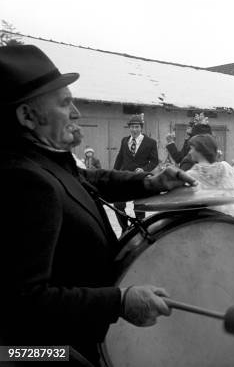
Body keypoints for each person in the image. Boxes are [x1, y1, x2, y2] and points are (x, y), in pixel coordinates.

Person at [0, 45, 198, 365]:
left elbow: (88, 177)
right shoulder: (23, 181)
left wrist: (149, 182)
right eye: (65, 103)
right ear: (26, 116)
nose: (76, 112)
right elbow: (21, 303)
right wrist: (119, 302)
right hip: (47, 354)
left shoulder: (41, 160)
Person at [112, 114, 159, 232]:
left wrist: (144, 169)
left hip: (139, 178)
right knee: (118, 204)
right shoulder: (124, 140)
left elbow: (154, 161)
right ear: (129, 128)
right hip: (125, 177)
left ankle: (139, 230)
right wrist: (114, 173)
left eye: (137, 127)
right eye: (132, 127)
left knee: (138, 206)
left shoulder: (150, 142)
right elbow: (120, 158)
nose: (134, 129)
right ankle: (125, 229)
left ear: (141, 128)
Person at [185, 134, 234, 215]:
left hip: (206, 219)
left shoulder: (190, 175)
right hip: (228, 218)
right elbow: (233, 171)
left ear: (199, 150)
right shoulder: (225, 167)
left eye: (191, 149)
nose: (189, 152)